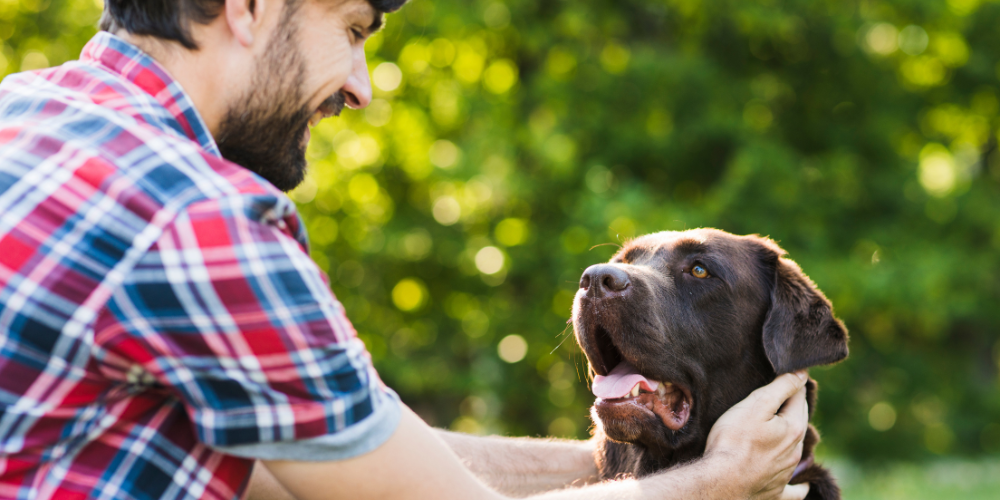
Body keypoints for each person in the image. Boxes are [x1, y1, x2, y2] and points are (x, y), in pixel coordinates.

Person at [0, 0, 811, 499]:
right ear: (246, 6)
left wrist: (616, 458)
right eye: (352, 29)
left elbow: (367, 466)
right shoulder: (205, 224)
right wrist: (715, 484)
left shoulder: (27, 114)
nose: (363, 84)